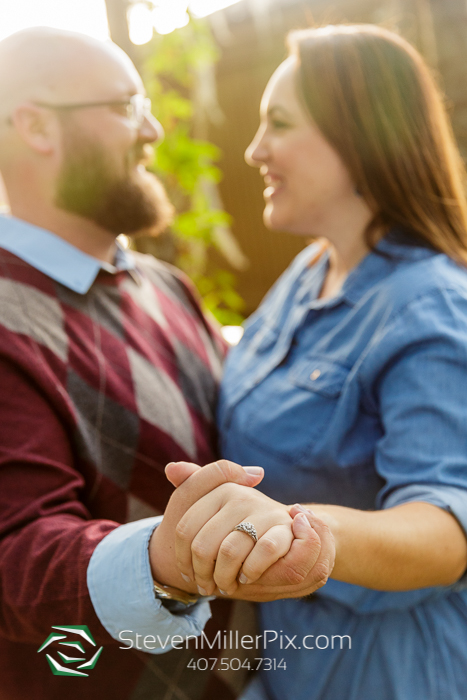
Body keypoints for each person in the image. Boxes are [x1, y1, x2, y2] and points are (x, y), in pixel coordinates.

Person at [0, 27, 335, 700]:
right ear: (35, 125)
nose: (152, 129)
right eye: (128, 105)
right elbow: (18, 545)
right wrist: (166, 559)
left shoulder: (165, 285)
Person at [168, 24, 467, 700]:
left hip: (393, 675)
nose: (253, 149)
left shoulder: (432, 308)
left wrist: (300, 527)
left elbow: (449, 527)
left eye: (277, 122)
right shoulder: (310, 270)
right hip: (289, 664)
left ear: (360, 137)